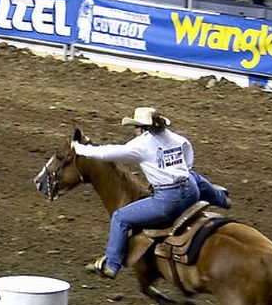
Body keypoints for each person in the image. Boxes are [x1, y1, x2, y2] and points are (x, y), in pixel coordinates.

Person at [73, 106, 229, 280]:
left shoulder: (142, 143)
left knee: (120, 218)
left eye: (135, 127)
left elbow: (107, 153)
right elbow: (187, 150)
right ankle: (221, 198)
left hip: (169, 202)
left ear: (141, 128)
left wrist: (79, 148)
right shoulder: (173, 136)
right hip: (191, 192)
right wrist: (180, 169)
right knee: (193, 176)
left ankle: (111, 264)